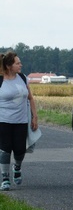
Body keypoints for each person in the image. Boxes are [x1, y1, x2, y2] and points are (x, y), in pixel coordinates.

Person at [0, 50, 37, 191]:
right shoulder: (1, 80)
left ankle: (17, 167)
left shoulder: (22, 77)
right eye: (17, 63)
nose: (21, 65)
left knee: (20, 149)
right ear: (9, 66)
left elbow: (30, 98)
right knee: (5, 149)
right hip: (3, 120)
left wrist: (35, 116)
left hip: (21, 120)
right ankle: (5, 178)